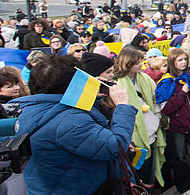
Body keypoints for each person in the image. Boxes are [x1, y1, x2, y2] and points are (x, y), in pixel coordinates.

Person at [12, 55, 136, 195]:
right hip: (78, 188)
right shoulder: (68, 121)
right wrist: (122, 106)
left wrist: (88, 94)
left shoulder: (27, 109)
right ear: (73, 84)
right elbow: (114, 146)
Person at [156, 48, 190, 195]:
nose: (183, 63)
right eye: (179, 60)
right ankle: (185, 186)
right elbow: (165, 109)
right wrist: (182, 93)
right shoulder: (166, 81)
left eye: (185, 59)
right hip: (176, 127)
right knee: (179, 158)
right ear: (172, 62)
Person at [114, 48, 165, 188]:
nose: (140, 65)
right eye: (136, 62)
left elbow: (155, 99)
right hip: (133, 133)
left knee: (149, 169)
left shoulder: (145, 78)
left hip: (151, 128)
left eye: (140, 62)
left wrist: (157, 115)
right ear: (127, 63)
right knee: (138, 170)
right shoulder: (118, 83)